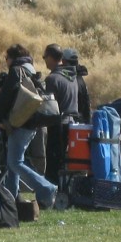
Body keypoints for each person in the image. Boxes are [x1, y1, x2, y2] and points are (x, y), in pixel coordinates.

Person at [0, 44, 58, 209]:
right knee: (12, 163)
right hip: (31, 122)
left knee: (15, 162)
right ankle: (10, 198)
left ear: (12, 58)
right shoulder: (31, 70)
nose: (6, 61)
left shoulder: (16, 71)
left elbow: (7, 97)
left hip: (20, 122)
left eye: (6, 58)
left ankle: (47, 188)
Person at [41, 43, 79, 185]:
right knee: (63, 161)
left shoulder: (52, 79)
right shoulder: (71, 77)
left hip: (57, 124)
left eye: (45, 56)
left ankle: (51, 190)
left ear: (51, 57)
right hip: (72, 124)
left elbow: (47, 106)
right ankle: (62, 189)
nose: (44, 59)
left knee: (53, 161)